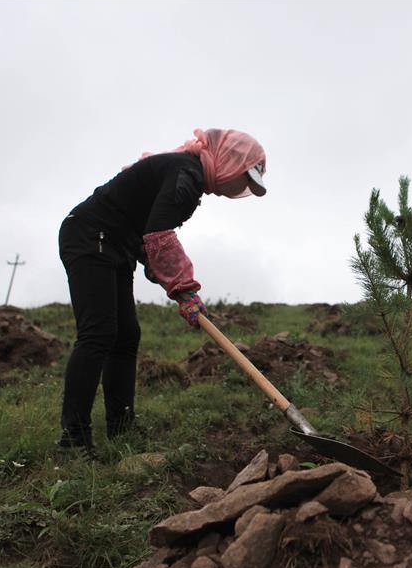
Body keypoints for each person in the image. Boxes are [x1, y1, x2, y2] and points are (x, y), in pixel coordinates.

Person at [57, 128, 267, 453]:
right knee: (98, 333)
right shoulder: (187, 173)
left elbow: (146, 230)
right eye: (244, 178)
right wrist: (184, 289)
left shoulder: (187, 174)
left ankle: (122, 428)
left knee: (126, 336)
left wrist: (161, 272)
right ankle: (73, 441)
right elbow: (159, 235)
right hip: (91, 235)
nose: (242, 188)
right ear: (230, 161)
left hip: (115, 244)